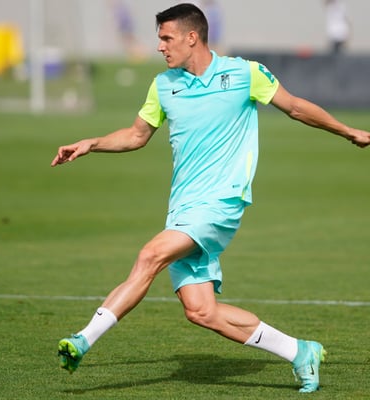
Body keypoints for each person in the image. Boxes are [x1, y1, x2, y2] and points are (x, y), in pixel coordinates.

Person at [51, 3, 370, 394]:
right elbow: (136, 135)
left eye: (166, 38)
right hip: (183, 209)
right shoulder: (163, 85)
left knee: (150, 256)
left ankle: (83, 340)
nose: (160, 46)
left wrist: (348, 131)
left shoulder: (245, 73)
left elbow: (296, 107)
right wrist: (92, 143)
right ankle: (299, 351)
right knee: (201, 312)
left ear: (192, 37)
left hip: (222, 203)